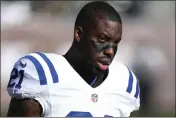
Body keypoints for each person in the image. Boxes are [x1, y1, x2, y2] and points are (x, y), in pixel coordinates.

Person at [7, 1, 140, 117]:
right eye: (102, 39)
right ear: (79, 34)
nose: (110, 51)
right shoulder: (43, 73)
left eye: (115, 42)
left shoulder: (125, 81)